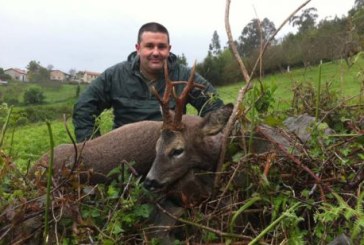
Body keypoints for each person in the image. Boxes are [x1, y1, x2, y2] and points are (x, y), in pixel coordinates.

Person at [72, 22, 224, 142]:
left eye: (162, 47)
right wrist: (93, 146)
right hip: (124, 152)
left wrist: (202, 138)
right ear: (138, 48)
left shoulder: (184, 75)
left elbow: (214, 105)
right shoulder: (115, 75)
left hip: (169, 152)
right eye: (149, 46)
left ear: (169, 49)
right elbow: (84, 107)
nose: (156, 52)